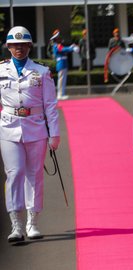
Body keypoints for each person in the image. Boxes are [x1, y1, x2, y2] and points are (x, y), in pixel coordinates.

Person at [1, 26, 60, 242]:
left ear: (29, 46)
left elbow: (51, 105)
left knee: (34, 174)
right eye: (14, 45)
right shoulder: (0, 71)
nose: (19, 49)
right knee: (14, 173)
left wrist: (54, 134)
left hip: (35, 128)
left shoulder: (41, 72)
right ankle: (16, 224)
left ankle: (32, 221)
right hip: (8, 127)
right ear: (8, 47)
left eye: (23, 45)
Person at [51, 29, 77, 100]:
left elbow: (65, 49)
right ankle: (59, 94)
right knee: (61, 79)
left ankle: (62, 93)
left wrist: (71, 47)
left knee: (63, 79)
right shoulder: (57, 45)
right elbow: (63, 49)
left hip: (64, 63)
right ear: (56, 38)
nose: (60, 38)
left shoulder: (59, 45)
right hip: (61, 63)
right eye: (59, 37)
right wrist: (71, 48)